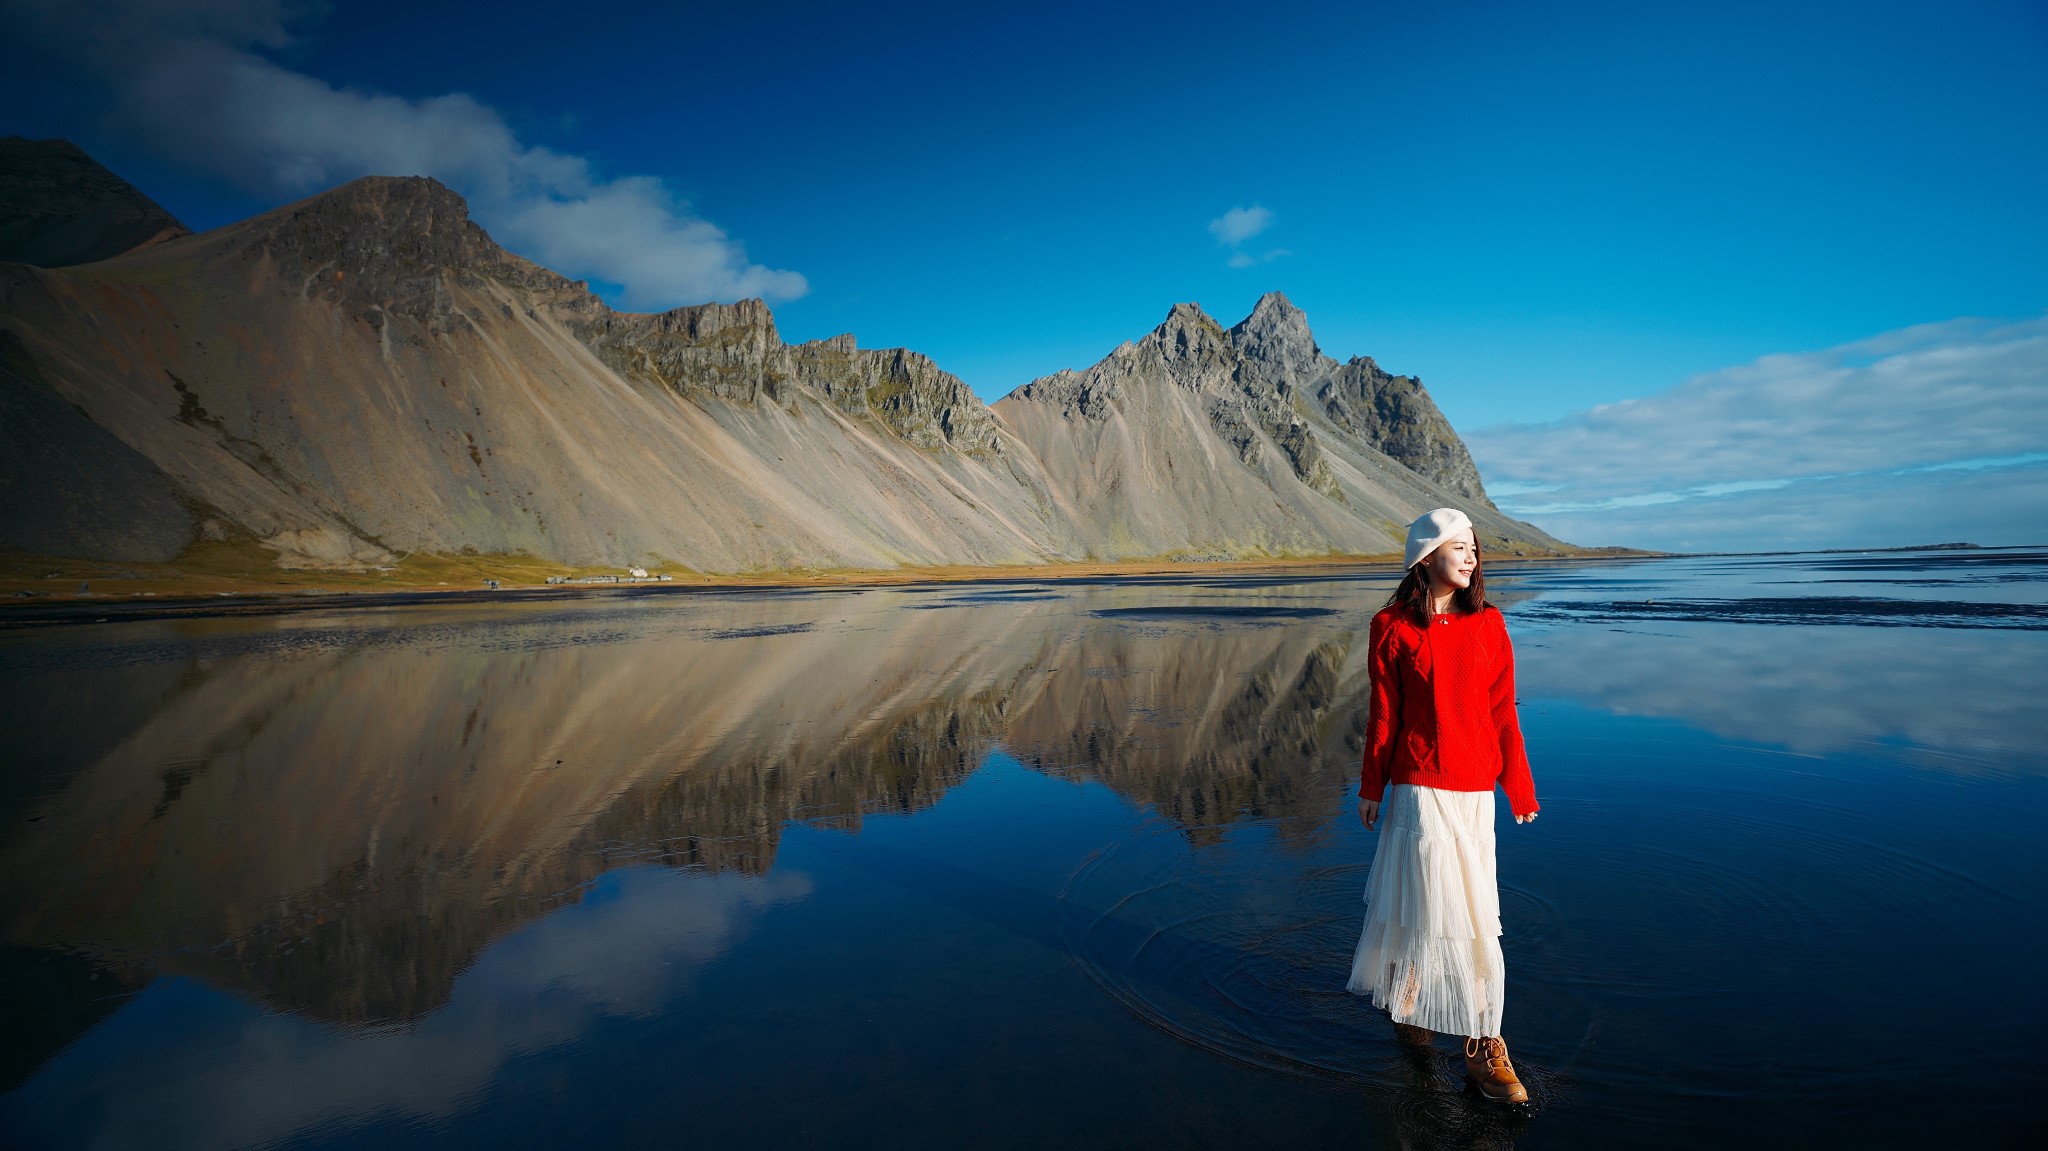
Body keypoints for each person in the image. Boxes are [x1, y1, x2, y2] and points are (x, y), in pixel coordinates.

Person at [1348, 507, 1540, 1106]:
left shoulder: (1489, 624)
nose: (1471, 557)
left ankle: (1485, 1042)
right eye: (1459, 547)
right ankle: (1412, 999)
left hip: (1475, 790)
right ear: (1425, 557)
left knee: (1476, 912)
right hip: (1418, 785)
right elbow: (1384, 713)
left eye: (1474, 549)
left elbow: (1504, 710)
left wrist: (1520, 787)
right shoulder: (1391, 627)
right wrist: (1373, 786)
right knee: (1428, 901)